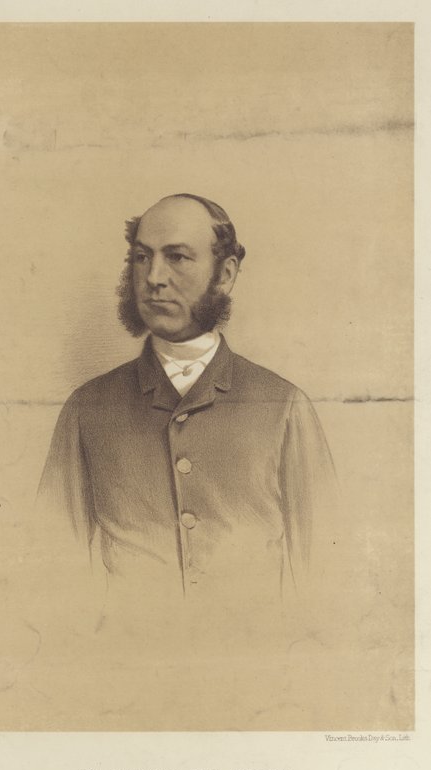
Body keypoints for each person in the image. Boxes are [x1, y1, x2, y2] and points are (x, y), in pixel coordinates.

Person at [38, 193, 338, 648]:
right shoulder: (87, 408)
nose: (154, 278)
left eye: (176, 257)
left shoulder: (284, 406)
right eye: (142, 257)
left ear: (226, 273)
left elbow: (330, 586)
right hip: (128, 667)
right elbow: (47, 581)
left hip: (258, 669)